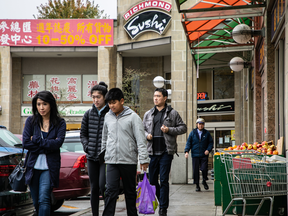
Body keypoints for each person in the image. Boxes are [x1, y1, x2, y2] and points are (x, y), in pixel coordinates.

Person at [101, 88, 149, 216]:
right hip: (111, 160)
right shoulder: (107, 116)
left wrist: (144, 159)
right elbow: (104, 137)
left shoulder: (133, 117)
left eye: (113, 102)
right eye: (109, 103)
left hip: (128, 160)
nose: (111, 106)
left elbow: (141, 139)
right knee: (110, 191)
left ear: (122, 101)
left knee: (130, 192)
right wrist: (104, 153)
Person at [143, 88, 187, 216]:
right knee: (152, 181)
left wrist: (169, 130)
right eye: (154, 96)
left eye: (158, 96)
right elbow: (142, 129)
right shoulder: (148, 114)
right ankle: (161, 200)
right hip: (151, 152)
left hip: (166, 152)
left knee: (164, 180)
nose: (155, 98)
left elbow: (183, 127)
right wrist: (147, 136)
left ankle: (163, 209)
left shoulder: (172, 113)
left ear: (165, 98)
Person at [22, 91, 66, 216]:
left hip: (49, 168)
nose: (41, 107)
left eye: (44, 104)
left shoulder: (60, 122)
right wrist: (48, 145)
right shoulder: (31, 121)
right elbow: (26, 143)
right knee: (36, 202)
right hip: (33, 167)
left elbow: (58, 144)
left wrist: (36, 140)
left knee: (44, 199)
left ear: (51, 104)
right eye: (38, 104)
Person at [80, 82, 109, 216]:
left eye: (98, 97)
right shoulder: (88, 114)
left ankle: (107, 212)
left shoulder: (110, 114)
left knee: (103, 186)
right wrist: (86, 146)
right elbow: (83, 134)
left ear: (105, 97)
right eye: (93, 97)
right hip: (91, 156)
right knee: (94, 188)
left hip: (106, 158)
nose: (95, 100)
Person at [184, 118, 213, 192]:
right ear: (197, 124)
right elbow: (189, 143)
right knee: (196, 171)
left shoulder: (206, 133)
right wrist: (186, 151)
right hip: (195, 155)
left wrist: (208, 150)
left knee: (204, 169)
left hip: (204, 154)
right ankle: (197, 185)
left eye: (202, 124)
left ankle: (204, 180)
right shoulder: (192, 133)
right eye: (199, 124)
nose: (201, 125)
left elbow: (210, 143)